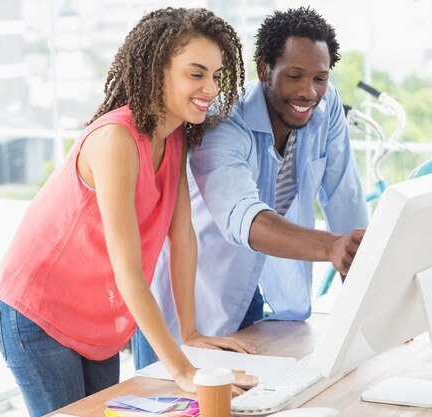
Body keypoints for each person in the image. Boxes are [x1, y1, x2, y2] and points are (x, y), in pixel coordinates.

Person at [0, 7, 257, 417]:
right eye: (196, 73)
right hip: (38, 313)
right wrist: (183, 370)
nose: (210, 87)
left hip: (96, 320)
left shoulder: (174, 137)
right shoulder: (115, 139)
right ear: (156, 71)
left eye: (217, 75)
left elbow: (181, 235)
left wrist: (190, 332)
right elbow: (127, 268)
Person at [133, 6, 368, 369]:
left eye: (320, 78)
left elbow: (344, 194)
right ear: (264, 70)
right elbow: (243, 217)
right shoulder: (223, 122)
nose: (309, 92)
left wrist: (367, 279)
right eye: (294, 76)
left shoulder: (327, 105)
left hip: (253, 292)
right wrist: (332, 247)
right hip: (191, 302)